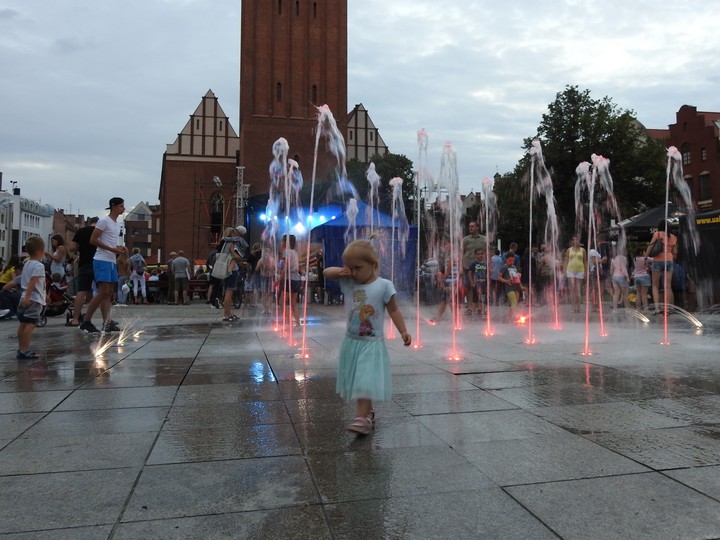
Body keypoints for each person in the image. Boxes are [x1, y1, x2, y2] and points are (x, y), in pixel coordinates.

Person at [323, 239, 411, 435]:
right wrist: (341, 271)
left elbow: (394, 310)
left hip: (372, 344)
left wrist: (403, 331)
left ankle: (362, 419)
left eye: (357, 268)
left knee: (364, 379)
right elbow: (326, 272)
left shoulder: (384, 286)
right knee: (360, 379)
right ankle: (368, 412)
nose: (353, 272)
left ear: (373, 265)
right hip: (352, 342)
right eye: (350, 267)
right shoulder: (349, 282)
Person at [79, 197, 126, 333]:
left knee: (108, 292)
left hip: (110, 260)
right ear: (114, 206)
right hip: (102, 259)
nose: (123, 208)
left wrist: (117, 248)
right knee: (103, 291)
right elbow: (93, 240)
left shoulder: (116, 224)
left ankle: (107, 321)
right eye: (121, 206)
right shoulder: (104, 221)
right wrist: (112, 249)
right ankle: (86, 320)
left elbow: (109, 241)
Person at [15, 236, 46, 359]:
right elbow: (33, 281)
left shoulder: (26, 263)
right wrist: (29, 296)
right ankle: (24, 350)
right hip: (34, 298)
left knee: (23, 323)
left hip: (24, 297)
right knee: (31, 324)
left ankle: (20, 348)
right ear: (40, 251)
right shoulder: (39, 266)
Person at [69, 216, 99, 327]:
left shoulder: (81, 231)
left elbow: (72, 248)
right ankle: (92, 318)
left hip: (84, 264)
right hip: (98, 263)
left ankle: (75, 319)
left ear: (90, 222)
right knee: (102, 292)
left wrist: (81, 248)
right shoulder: (100, 231)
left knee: (81, 291)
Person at [645, 219, 678, 314]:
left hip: (658, 260)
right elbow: (674, 252)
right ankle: (667, 309)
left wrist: (645, 257)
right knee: (668, 286)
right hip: (669, 260)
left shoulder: (658, 234)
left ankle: (657, 308)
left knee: (655, 285)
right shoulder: (673, 237)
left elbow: (650, 246)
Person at [219, 227, 248, 322]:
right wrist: (239, 257)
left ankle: (229, 313)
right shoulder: (231, 243)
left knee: (229, 292)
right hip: (231, 270)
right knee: (229, 292)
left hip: (227, 269)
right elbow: (236, 257)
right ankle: (226, 315)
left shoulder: (225, 243)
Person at [461, 221, 486, 316]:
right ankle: (470, 307)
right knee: (469, 287)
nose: (470, 228)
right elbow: (461, 253)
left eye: (472, 226)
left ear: (477, 228)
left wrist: (489, 265)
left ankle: (481, 307)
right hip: (468, 266)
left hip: (481, 267)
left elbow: (487, 252)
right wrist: (460, 266)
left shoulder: (484, 239)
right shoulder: (465, 239)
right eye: (469, 226)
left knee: (481, 286)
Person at [280, 234, 301, 326]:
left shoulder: (286, 252)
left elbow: (286, 267)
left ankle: (288, 322)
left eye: (282, 240)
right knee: (293, 303)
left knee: (282, 301)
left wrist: (279, 280)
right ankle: (297, 323)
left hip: (290, 279)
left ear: (286, 242)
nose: (281, 242)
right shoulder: (295, 252)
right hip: (297, 279)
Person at [498, 251, 525, 321]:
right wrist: (506, 281)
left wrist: (521, 286)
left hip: (516, 287)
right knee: (514, 302)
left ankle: (508, 317)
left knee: (515, 303)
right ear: (506, 259)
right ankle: (515, 316)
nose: (511, 262)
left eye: (513, 260)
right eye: (510, 260)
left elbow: (517, 278)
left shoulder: (514, 267)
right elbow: (499, 277)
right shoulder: (504, 267)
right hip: (509, 287)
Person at [564, 235, 586, 313]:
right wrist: (564, 270)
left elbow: (584, 261)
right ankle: (573, 306)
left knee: (578, 289)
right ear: (572, 241)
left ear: (579, 241)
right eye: (574, 240)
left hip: (580, 270)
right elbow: (566, 260)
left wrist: (586, 272)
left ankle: (578, 306)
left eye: (577, 239)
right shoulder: (569, 250)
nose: (575, 241)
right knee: (572, 289)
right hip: (570, 270)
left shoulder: (583, 250)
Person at [468, 248, 487, 318]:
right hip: (476, 284)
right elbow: (469, 273)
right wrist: (471, 282)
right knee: (475, 299)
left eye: (482, 254)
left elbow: (488, 273)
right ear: (475, 255)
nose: (480, 255)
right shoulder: (473, 264)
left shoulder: (486, 264)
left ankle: (482, 313)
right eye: (478, 254)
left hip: (484, 284)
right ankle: (473, 313)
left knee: (483, 299)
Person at [632, 247, 650, 312]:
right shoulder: (645, 259)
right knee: (644, 294)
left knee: (638, 294)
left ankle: (638, 309)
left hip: (636, 277)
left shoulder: (635, 259)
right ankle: (645, 309)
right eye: (644, 252)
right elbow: (653, 259)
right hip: (644, 276)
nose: (645, 253)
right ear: (641, 252)